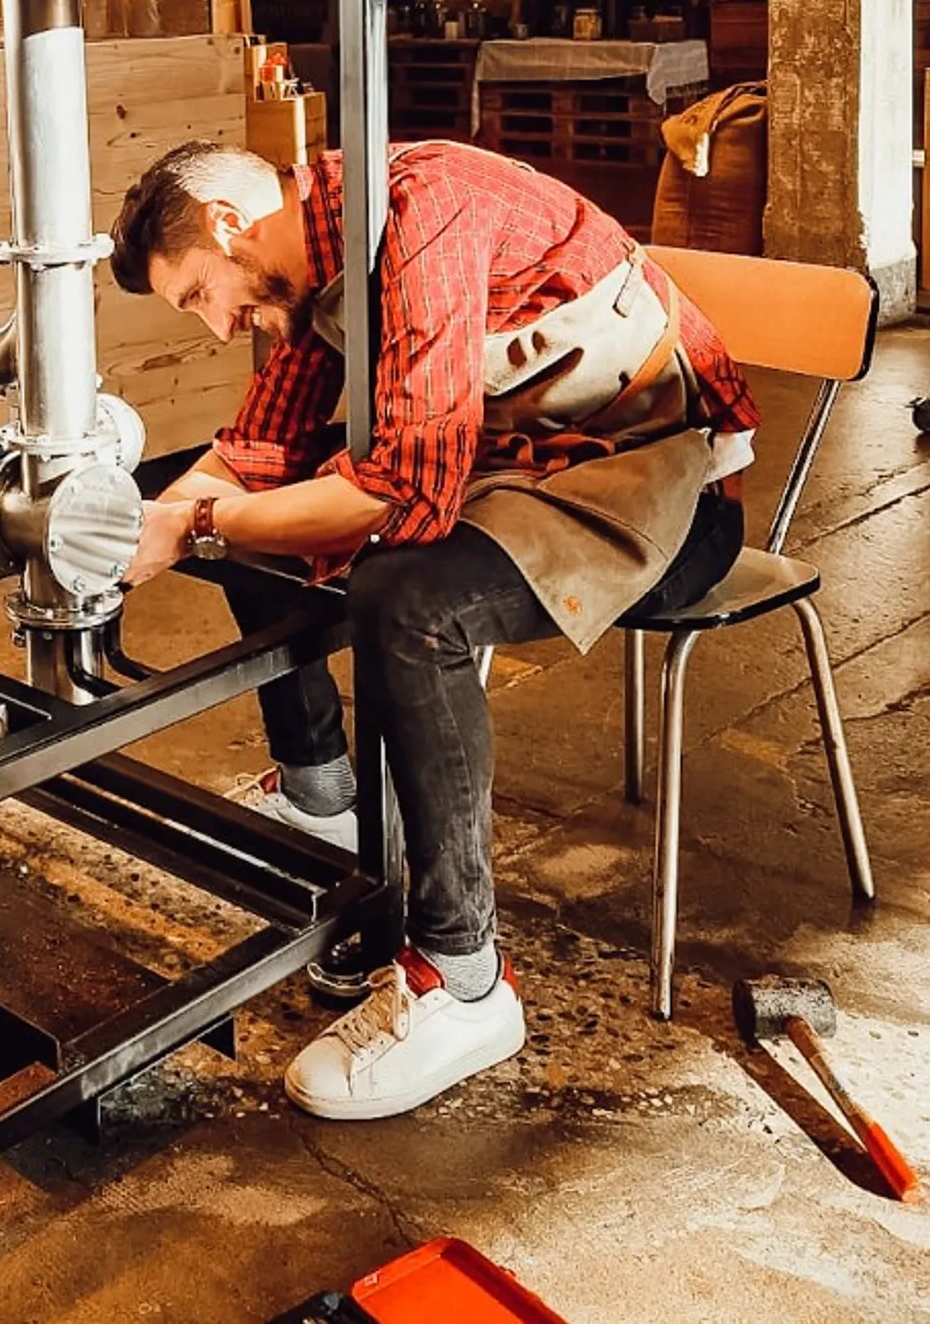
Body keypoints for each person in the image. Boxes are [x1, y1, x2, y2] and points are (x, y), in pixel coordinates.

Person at [108, 138, 758, 1122]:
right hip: (530, 460)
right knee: (248, 514)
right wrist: (154, 516)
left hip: (663, 483)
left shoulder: (422, 210)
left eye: (201, 293)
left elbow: (404, 490)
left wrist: (201, 521)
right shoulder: (315, 262)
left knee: (407, 600)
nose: (217, 325)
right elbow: (256, 451)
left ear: (228, 226)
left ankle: (461, 979)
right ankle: (326, 799)